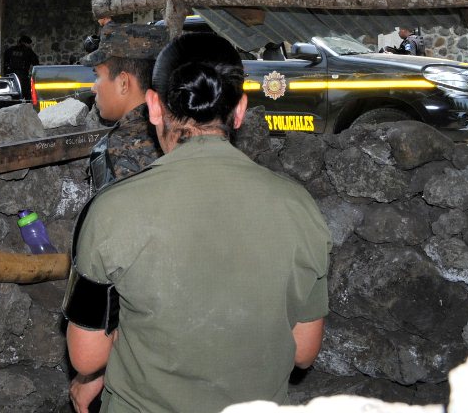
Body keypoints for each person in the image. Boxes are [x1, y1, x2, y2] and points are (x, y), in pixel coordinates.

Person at [64, 31, 331, 413]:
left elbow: (87, 358)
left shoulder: (110, 210)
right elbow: (304, 352)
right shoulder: (300, 207)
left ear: (153, 106)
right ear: (239, 110)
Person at [83, 22, 166, 191]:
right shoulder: (177, 130)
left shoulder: (115, 148)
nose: (93, 87)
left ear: (123, 82)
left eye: (97, 76)